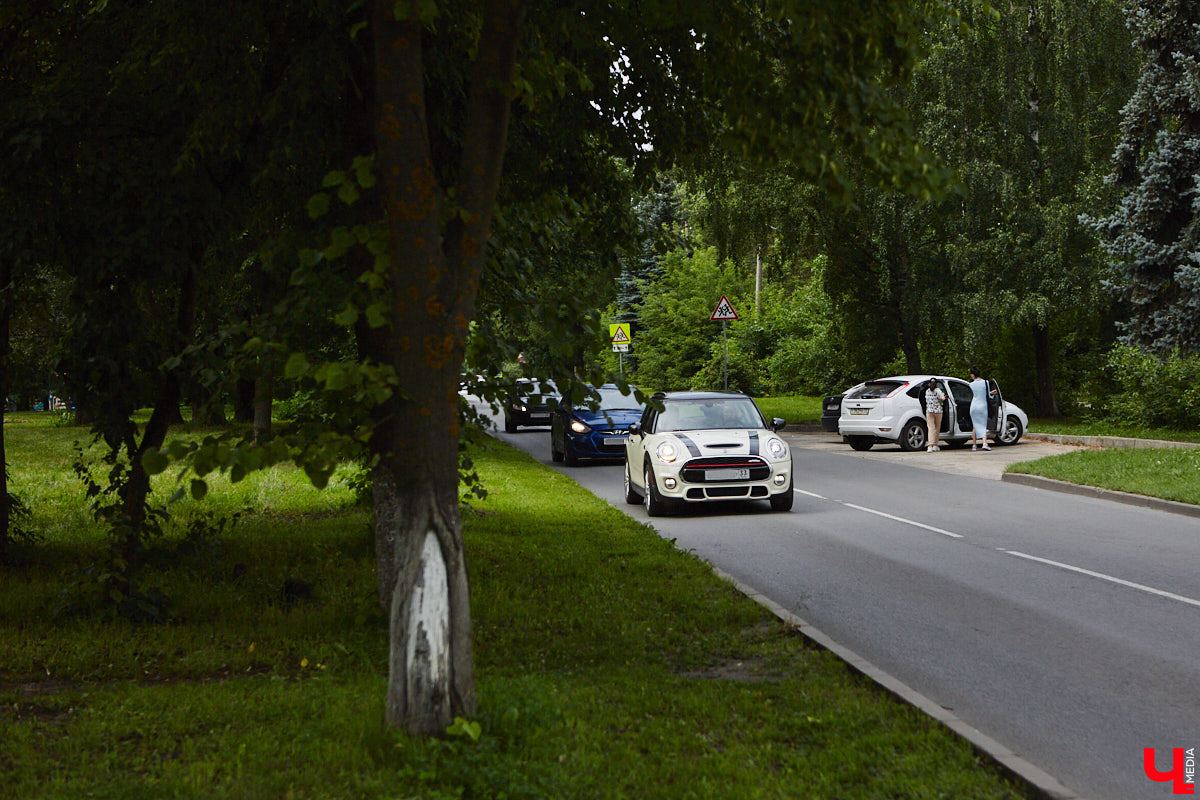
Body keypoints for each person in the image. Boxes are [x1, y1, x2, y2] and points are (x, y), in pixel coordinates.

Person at [967, 367, 996, 451]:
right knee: (983, 425)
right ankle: (984, 443)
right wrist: (992, 393)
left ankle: (974, 445)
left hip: (973, 406)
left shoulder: (971, 384)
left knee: (975, 425)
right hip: (982, 406)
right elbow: (987, 395)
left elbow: (976, 394)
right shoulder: (985, 382)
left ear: (973, 375)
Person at [923, 378, 947, 452]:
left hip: (929, 411)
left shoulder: (927, 391)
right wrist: (945, 397)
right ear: (937, 384)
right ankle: (935, 445)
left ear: (930, 384)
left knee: (931, 428)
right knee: (937, 428)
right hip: (938, 411)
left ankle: (930, 445)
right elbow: (942, 398)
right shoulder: (938, 391)